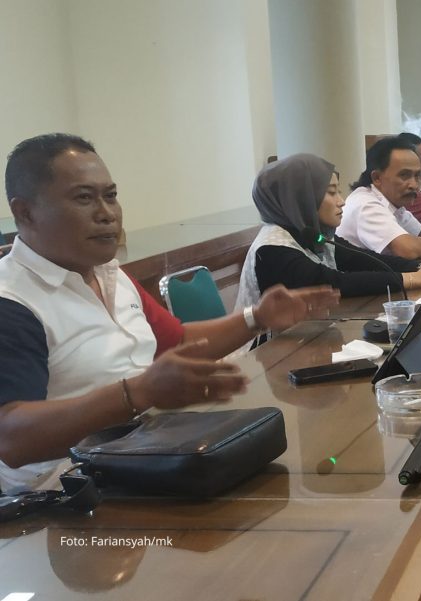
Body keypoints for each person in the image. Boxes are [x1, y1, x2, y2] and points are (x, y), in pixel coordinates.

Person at [0, 133, 340, 493]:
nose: (107, 213)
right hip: (60, 491)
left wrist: (256, 318)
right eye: (84, 198)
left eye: (110, 196)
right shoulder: (13, 301)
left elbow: (176, 342)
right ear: (25, 212)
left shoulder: (109, 274)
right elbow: (11, 438)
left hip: (142, 455)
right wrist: (137, 393)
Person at [235, 153, 421, 311]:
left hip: (310, 335)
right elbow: (332, 282)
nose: (341, 201)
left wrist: (420, 267)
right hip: (265, 352)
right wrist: (413, 279)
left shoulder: (312, 234)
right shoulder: (272, 248)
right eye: (332, 193)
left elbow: (362, 259)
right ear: (302, 199)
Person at [336, 136, 421, 260]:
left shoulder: (391, 201)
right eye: (404, 175)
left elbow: (420, 231)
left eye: (417, 176)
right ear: (377, 178)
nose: (414, 185)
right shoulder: (366, 204)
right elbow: (407, 249)